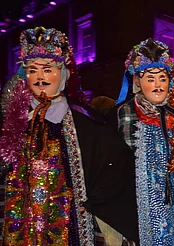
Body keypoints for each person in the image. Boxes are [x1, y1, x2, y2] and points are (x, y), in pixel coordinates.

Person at [0, 26, 138, 245]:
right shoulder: (14, 122)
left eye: (47, 69)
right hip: (21, 225)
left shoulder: (86, 122)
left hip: (67, 226)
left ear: (63, 73)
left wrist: (93, 203)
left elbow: (116, 168)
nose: (40, 77)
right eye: (33, 70)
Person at [115, 38, 174, 245]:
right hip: (143, 208)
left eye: (162, 78)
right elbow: (121, 163)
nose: (157, 85)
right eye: (150, 78)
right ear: (138, 81)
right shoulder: (127, 112)